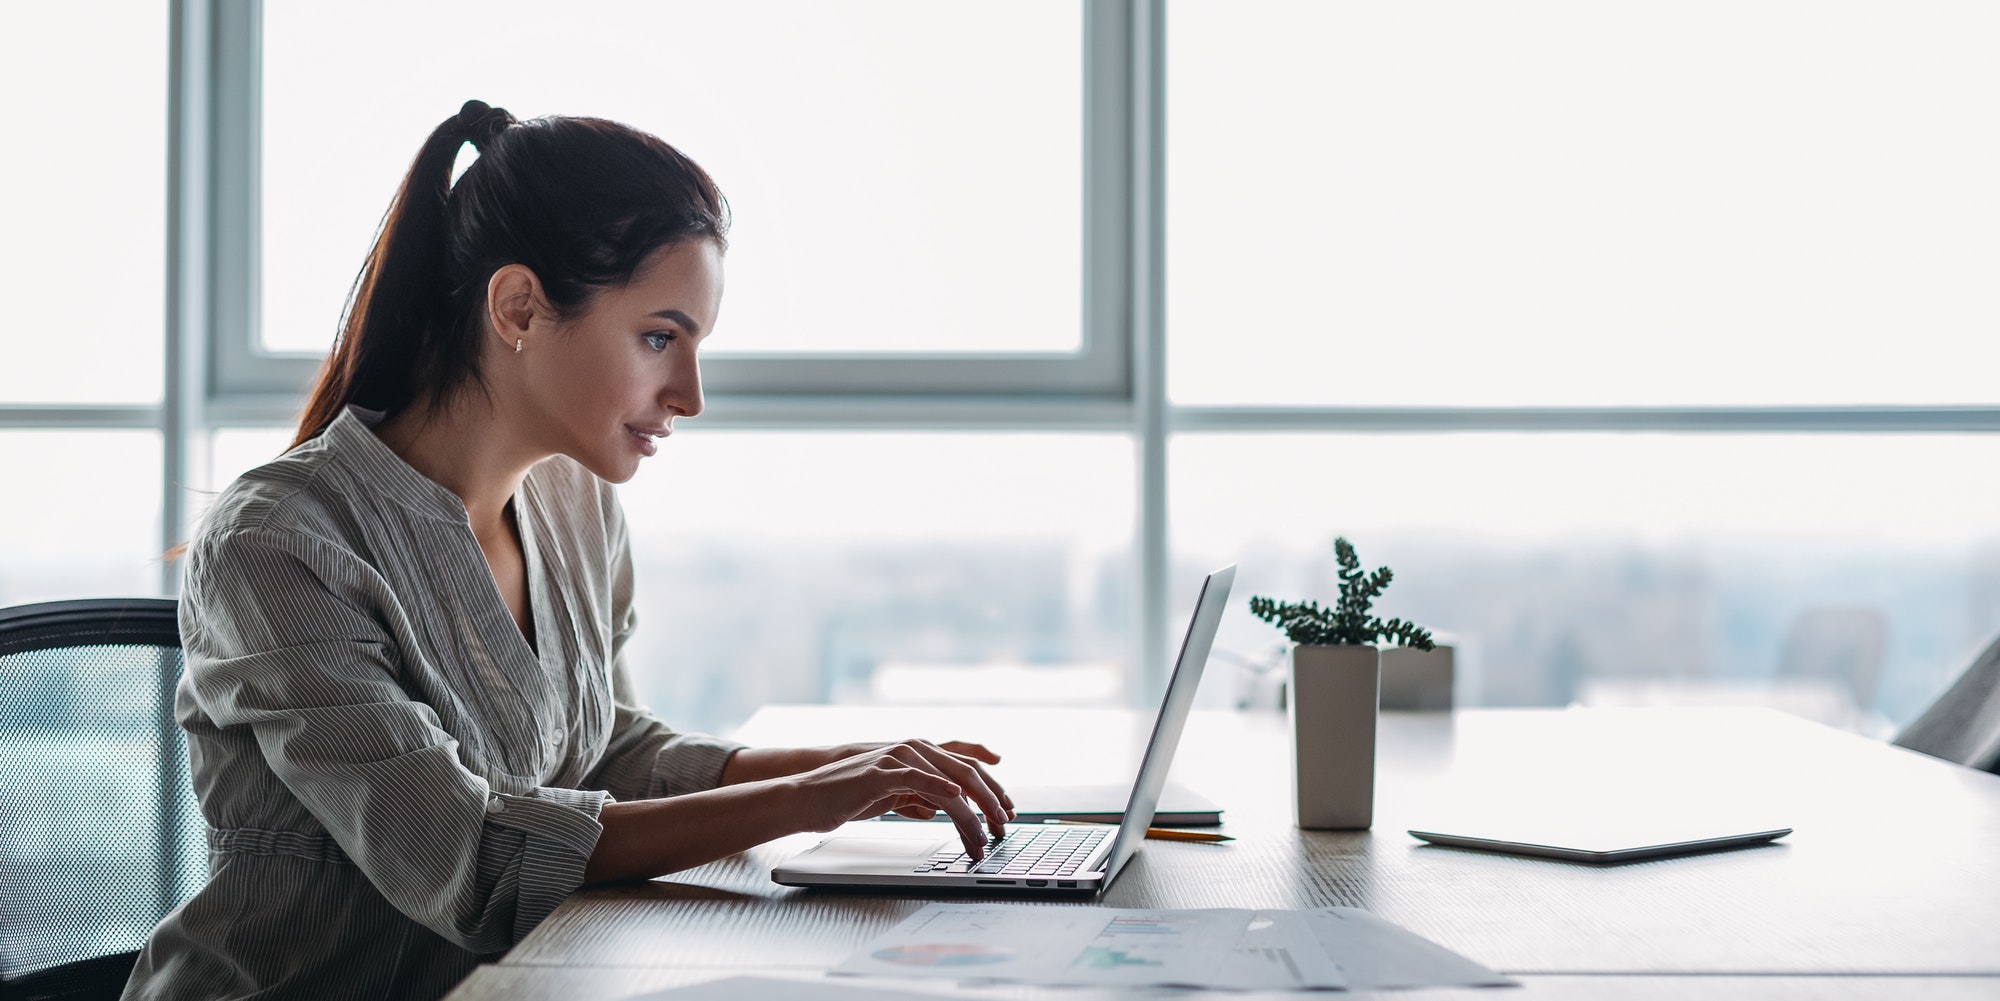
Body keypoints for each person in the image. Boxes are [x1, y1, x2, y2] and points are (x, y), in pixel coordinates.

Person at [122, 100, 1014, 1001]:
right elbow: (472, 860)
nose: (690, 394)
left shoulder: (574, 500)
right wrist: (805, 802)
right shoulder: (280, 542)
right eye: (659, 337)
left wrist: (846, 768)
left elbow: (604, 752)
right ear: (518, 307)